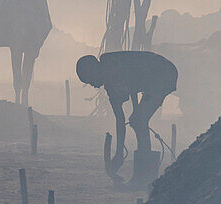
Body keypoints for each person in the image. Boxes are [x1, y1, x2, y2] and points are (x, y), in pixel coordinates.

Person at [76, 51, 178, 188]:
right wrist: (119, 154)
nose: (93, 86)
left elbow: (132, 87)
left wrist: (120, 154)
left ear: (95, 71)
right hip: (152, 79)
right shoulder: (110, 85)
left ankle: (144, 174)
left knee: (139, 120)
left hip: (163, 73)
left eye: (90, 81)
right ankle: (143, 171)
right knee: (138, 120)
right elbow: (120, 120)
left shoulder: (114, 64)